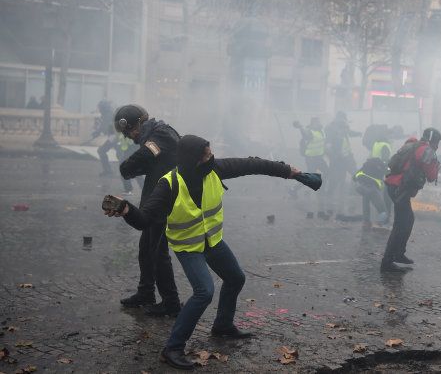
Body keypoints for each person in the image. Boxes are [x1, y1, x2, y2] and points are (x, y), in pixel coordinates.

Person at [104, 135, 303, 370]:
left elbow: (252, 164)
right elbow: (144, 220)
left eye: (210, 153)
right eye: (206, 155)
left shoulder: (215, 169)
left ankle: (223, 326)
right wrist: (127, 210)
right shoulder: (168, 184)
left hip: (213, 241)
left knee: (236, 278)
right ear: (192, 159)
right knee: (204, 291)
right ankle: (172, 348)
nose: (211, 157)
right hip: (188, 246)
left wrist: (287, 170)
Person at [114, 104, 182, 317]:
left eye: (130, 131)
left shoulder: (161, 134)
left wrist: (125, 168)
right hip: (155, 200)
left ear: (139, 124)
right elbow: (151, 162)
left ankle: (171, 302)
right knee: (146, 248)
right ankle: (146, 293)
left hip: (165, 201)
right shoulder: (154, 135)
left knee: (158, 252)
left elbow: (146, 155)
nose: (130, 136)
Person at [381, 128, 441, 272]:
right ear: (433, 140)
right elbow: (431, 176)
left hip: (393, 186)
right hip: (401, 189)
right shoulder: (427, 151)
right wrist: (437, 166)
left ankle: (399, 254)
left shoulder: (413, 144)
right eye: (437, 142)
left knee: (408, 219)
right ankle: (387, 262)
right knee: (400, 225)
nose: (438, 145)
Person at [325, 111, 361, 213]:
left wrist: (358, 134)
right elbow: (327, 145)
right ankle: (330, 194)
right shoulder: (330, 128)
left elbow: (349, 132)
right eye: (343, 119)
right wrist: (334, 156)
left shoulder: (343, 127)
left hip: (347, 157)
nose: (345, 122)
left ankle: (345, 195)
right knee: (336, 177)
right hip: (337, 159)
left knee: (353, 174)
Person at [290, 117, 328, 204]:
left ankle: (320, 189)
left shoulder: (321, 131)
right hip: (311, 158)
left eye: (319, 122)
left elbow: (322, 143)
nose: (318, 123)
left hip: (319, 157)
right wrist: (300, 127)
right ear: (312, 123)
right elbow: (305, 135)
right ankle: (294, 189)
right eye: (316, 122)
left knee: (327, 172)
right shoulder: (309, 131)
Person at [353, 157, 388, 229]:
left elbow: (354, 177)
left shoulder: (365, 166)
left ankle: (366, 222)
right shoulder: (382, 166)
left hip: (363, 188)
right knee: (382, 210)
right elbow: (389, 173)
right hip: (372, 189)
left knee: (366, 202)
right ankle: (380, 223)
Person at [94, 100, 116, 177]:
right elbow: (103, 127)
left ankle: (108, 170)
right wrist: (97, 132)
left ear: (103, 108)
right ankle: (108, 170)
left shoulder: (108, 115)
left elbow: (105, 127)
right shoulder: (107, 114)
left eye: (100, 107)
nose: (99, 109)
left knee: (101, 151)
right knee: (102, 151)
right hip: (115, 137)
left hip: (116, 137)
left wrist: (97, 132)